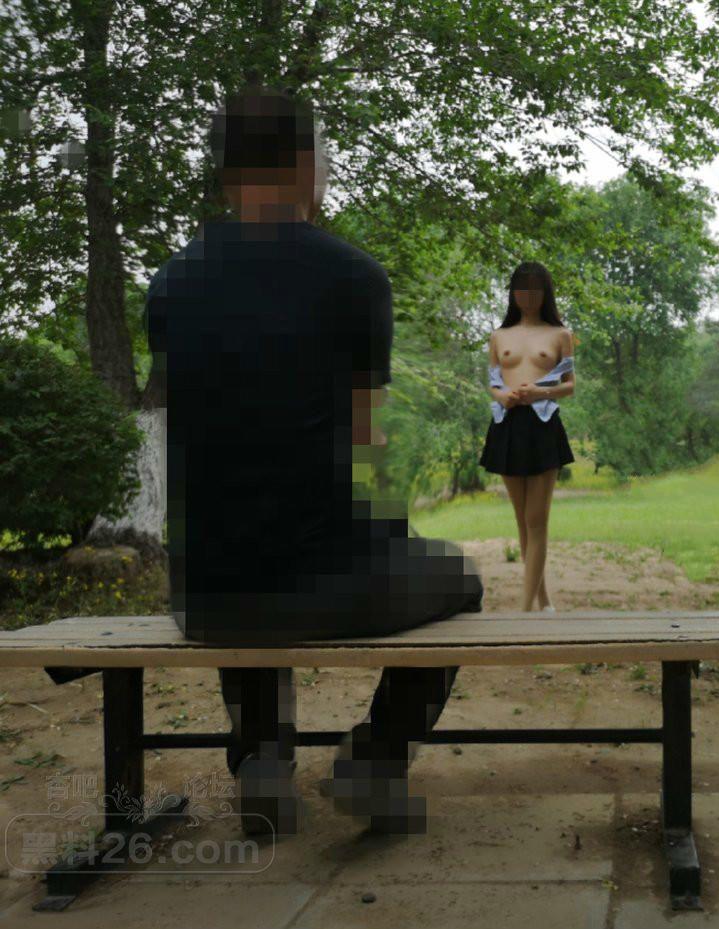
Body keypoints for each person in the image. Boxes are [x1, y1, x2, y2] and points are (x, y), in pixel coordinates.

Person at [143, 83, 483, 835]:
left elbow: (198, 423)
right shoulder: (354, 277)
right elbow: (364, 435)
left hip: (202, 595)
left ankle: (261, 758)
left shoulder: (170, 282)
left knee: (240, 539)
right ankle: (376, 760)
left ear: (224, 171)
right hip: (320, 583)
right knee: (458, 577)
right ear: (304, 164)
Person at [478, 262, 576, 612]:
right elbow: (493, 383)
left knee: (537, 520)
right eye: (522, 288)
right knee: (522, 520)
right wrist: (502, 396)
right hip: (507, 424)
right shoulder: (499, 336)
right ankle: (543, 599)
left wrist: (539, 392)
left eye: (536, 289)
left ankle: (523, 609)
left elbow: (569, 386)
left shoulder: (560, 334)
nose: (528, 295)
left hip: (543, 424)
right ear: (512, 293)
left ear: (546, 293)